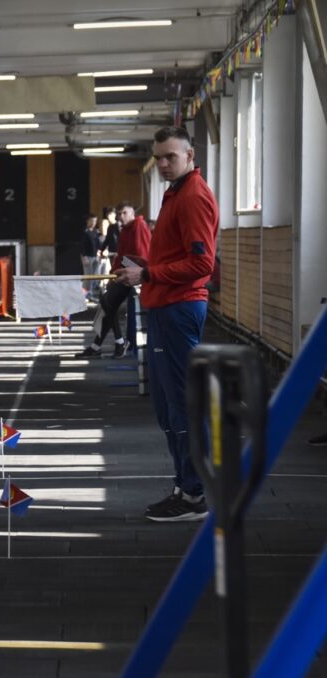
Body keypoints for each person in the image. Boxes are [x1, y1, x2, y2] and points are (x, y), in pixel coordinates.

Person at [114, 126, 218, 523]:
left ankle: (193, 494)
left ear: (190, 156)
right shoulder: (175, 193)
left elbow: (202, 264)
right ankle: (184, 486)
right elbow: (178, 257)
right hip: (165, 308)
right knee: (168, 408)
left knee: (183, 405)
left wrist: (148, 274)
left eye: (170, 157)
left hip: (179, 309)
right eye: (158, 157)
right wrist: (146, 268)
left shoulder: (193, 197)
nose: (162, 163)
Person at [77, 201, 152, 358]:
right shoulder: (124, 230)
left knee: (107, 303)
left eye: (124, 213)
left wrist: (125, 271)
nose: (121, 216)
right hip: (125, 271)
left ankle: (119, 342)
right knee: (107, 305)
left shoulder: (139, 226)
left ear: (132, 213)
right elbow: (121, 255)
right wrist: (113, 274)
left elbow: (143, 256)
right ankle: (98, 346)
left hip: (137, 274)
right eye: (119, 214)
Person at [80, 213, 102, 301]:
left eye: (95, 221)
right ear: (88, 221)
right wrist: (84, 256)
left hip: (95, 256)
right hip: (87, 257)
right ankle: (83, 294)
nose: (93, 223)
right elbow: (82, 245)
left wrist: (99, 252)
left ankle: (90, 294)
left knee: (93, 277)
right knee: (87, 277)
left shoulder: (96, 232)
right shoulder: (85, 232)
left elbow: (98, 244)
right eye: (91, 221)